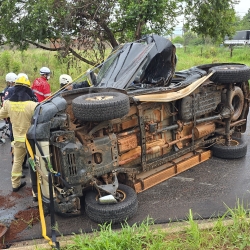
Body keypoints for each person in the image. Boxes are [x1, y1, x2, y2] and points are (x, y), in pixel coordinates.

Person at [0, 75, 38, 192]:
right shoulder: (32, 105)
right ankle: (35, 189)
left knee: (17, 162)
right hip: (31, 140)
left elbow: (2, 115)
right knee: (35, 163)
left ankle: (15, 185)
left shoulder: (7, 104)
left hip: (17, 140)